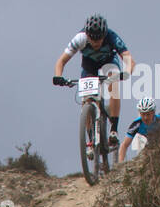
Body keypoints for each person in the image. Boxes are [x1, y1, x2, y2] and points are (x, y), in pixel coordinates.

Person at [53, 13, 135, 149]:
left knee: (113, 84)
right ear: (87, 35)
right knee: (87, 98)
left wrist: (126, 72)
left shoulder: (112, 36)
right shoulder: (80, 38)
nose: (96, 43)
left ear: (104, 35)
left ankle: (113, 129)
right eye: (92, 39)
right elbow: (61, 61)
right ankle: (90, 137)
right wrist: (58, 76)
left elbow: (128, 58)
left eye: (99, 39)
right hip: (89, 64)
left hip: (109, 61)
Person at [118, 97, 160, 163]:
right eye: (143, 114)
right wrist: (120, 164)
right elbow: (124, 145)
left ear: (153, 112)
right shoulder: (136, 124)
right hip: (150, 144)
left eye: (148, 114)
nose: (145, 118)